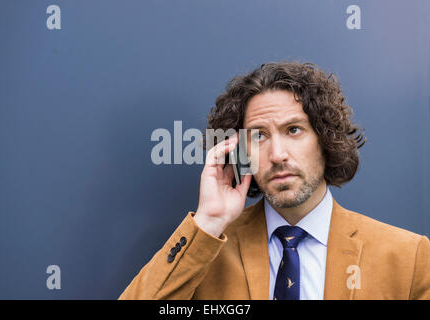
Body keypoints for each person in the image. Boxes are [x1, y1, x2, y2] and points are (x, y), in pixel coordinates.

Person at [119, 61, 430, 300]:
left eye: (293, 130)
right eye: (259, 136)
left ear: (324, 139)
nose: (278, 154)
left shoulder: (408, 256)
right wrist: (208, 222)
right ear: (239, 151)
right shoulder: (206, 249)